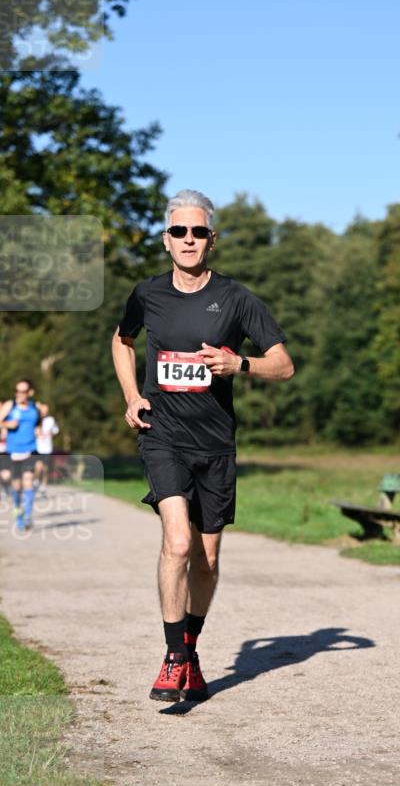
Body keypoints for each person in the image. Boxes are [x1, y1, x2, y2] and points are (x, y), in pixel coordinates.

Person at [111, 189, 294, 704]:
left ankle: (189, 649)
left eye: (197, 232)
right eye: (178, 231)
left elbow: (284, 363)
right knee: (178, 543)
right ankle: (173, 659)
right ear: (166, 240)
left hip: (215, 445)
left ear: (211, 240)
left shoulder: (236, 298)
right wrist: (131, 395)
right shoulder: (147, 294)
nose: (187, 240)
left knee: (207, 559)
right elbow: (120, 340)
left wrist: (243, 365)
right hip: (162, 437)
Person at [0, 380, 41, 531]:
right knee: (14, 483)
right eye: (17, 391)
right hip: (13, 450)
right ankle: (17, 508)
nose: (19, 394)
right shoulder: (10, 405)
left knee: (28, 482)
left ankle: (27, 515)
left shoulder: (35, 407)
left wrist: (38, 429)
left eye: (23, 391)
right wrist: (7, 425)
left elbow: (39, 422)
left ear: (30, 392)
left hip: (30, 449)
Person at [34, 404, 59, 495]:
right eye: (42, 410)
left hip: (47, 448)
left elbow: (56, 430)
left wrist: (50, 433)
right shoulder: (35, 419)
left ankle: (43, 487)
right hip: (37, 447)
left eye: (46, 410)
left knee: (45, 468)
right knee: (38, 466)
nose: (44, 412)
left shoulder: (50, 420)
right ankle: (36, 481)